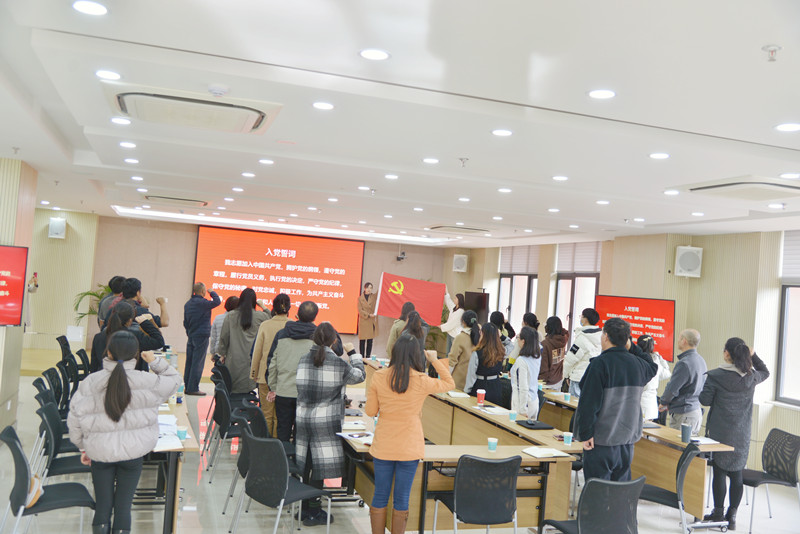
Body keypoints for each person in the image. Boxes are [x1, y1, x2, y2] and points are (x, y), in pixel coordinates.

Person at [68, 330, 180, 534]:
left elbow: (74, 419)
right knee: (123, 508)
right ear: (136, 355)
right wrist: (155, 361)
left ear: (108, 352)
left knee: (102, 507)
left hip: (100, 453)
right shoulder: (148, 382)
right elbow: (175, 380)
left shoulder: (91, 382)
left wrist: (83, 447)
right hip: (133, 454)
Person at [365, 334, 455, 534]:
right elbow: (450, 383)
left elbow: (370, 411)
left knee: (380, 494)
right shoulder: (422, 380)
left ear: (394, 352)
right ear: (417, 355)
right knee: (402, 498)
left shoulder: (379, 376)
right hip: (410, 447)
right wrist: (434, 360)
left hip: (384, 444)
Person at [295, 323, 366, 526]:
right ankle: (314, 510)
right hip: (325, 422)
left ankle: (304, 508)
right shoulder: (337, 363)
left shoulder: (303, 359)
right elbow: (360, 375)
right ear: (334, 341)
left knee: (307, 463)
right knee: (320, 466)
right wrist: (353, 353)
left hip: (303, 419)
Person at [573, 317, 658, 481]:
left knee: (598, 489)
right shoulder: (638, 365)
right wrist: (632, 347)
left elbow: (588, 404)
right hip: (627, 441)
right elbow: (652, 365)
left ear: (605, 336)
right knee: (620, 489)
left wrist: (586, 434)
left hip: (601, 441)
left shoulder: (599, 364)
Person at [700, 338, 769, 530]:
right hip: (742, 433)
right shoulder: (751, 377)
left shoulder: (715, 376)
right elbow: (766, 371)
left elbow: (705, 400)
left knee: (719, 472)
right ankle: (732, 517)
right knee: (737, 473)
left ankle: (718, 513)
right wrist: (754, 356)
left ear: (727, 354)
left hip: (720, 433)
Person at [267, 301, 329, 442]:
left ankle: (283, 456)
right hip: (307, 394)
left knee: (283, 430)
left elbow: (272, 363)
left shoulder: (282, 334)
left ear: (297, 314)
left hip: (283, 391)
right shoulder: (318, 338)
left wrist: (273, 387)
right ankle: (297, 456)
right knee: (301, 435)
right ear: (315, 317)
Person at [250, 293, 291, 437]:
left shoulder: (265, 325)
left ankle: (266, 444)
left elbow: (257, 351)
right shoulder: (292, 325)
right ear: (289, 307)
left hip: (265, 375)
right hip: (286, 378)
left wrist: (254, 373)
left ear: (273, 308)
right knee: (280, 415)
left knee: (266, 414)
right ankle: (277, 444)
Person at [217, 288, 270, 394]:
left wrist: (222, 353)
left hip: (233, 360)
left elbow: (224, 337)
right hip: (251, 362)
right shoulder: (261, 316)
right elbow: (271, 319)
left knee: (232, 388)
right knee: (247, 387)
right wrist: (263, 306)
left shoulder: (231, 315)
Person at [90, 301, 164, 373]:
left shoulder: (98, 337)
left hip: (104, 378)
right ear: (130, 320)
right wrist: (145, 323)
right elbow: (159, 342)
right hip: (133, 378)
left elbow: (94, 367)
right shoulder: (135, 336)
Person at [658, 329, 707, 434]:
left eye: (679, 338)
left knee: (677, 444)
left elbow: (672, 389)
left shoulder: (684, 363)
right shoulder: (701, 360)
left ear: (684, 341)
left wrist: (663, 402)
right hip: (695, 411)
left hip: (684, 415)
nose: (677, 341)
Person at [182, 282, 221, 396]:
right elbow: (217, 301)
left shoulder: (188, 304)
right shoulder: (203, 303)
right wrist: (212, 292)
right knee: (197, 362)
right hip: (201, 336)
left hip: (192, 335)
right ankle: (193, 388)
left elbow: (185, 322)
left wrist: (189, 332)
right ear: (203, 291)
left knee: (190, 362)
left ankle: (188, 386)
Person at [463, 323, 506, 405]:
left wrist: (467, 391)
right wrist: (502, 337)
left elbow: (471, 376)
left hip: (480, 386)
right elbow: (511, 346)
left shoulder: (477, 353)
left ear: (483, 335)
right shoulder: (501, 351)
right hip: (496, 386)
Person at [563, 308, 602, 397]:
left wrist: (566, 375)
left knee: (574, 403)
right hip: (593, 378)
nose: (580, 318)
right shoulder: (601, 337)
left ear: (585, 319)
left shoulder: (582, 338)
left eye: (581, 316)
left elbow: (570, 360)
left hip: (578, 378)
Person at [510, 326, 543, 421]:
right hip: (534, 400)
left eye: (518, 337)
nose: (517, 340)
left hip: (523, 404)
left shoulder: (521, 361)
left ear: (523, 341)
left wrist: (523, 409)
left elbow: (523, 387)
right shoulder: (537, 357)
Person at [637, 334, 672, 421]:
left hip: (637, 402)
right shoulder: (656, 361)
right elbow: (667, 373)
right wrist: (660, 358)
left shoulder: (635, 360)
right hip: (650, 405)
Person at [447, 310, 480, 391]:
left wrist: (446, 378)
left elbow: (452, 361)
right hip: (474, 383)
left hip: (458, 382)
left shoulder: (460, 337)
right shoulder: (480, 338)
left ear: (463, 322)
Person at [539, 316, 568, 389]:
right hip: (558, 379)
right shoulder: (564, 339)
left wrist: (540, 380)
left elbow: (544, 366)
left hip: (547, 382)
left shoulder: (545, 344)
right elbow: (566, 332)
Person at [358, 282, 378, 358]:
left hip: (371, 322)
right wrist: (368, 315)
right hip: (364, 321)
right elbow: (360, 310)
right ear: (365, 288)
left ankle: (368, 357)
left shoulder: (373, 297)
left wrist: (383, 282)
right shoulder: (360, 298)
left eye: (371, 288)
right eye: (368, 287)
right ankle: (362, 358)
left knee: (370, 341)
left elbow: (379, 293)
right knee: (362, 341)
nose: (369, 289)